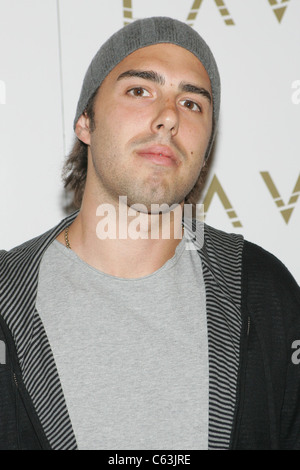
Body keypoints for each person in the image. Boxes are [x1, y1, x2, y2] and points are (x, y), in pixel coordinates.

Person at [0, 16, 299, 451]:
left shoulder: (265, 293)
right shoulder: (5, 297)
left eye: (193, 103)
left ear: (206, 146)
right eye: (140, 90)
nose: (167, 118)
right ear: (86, 121)